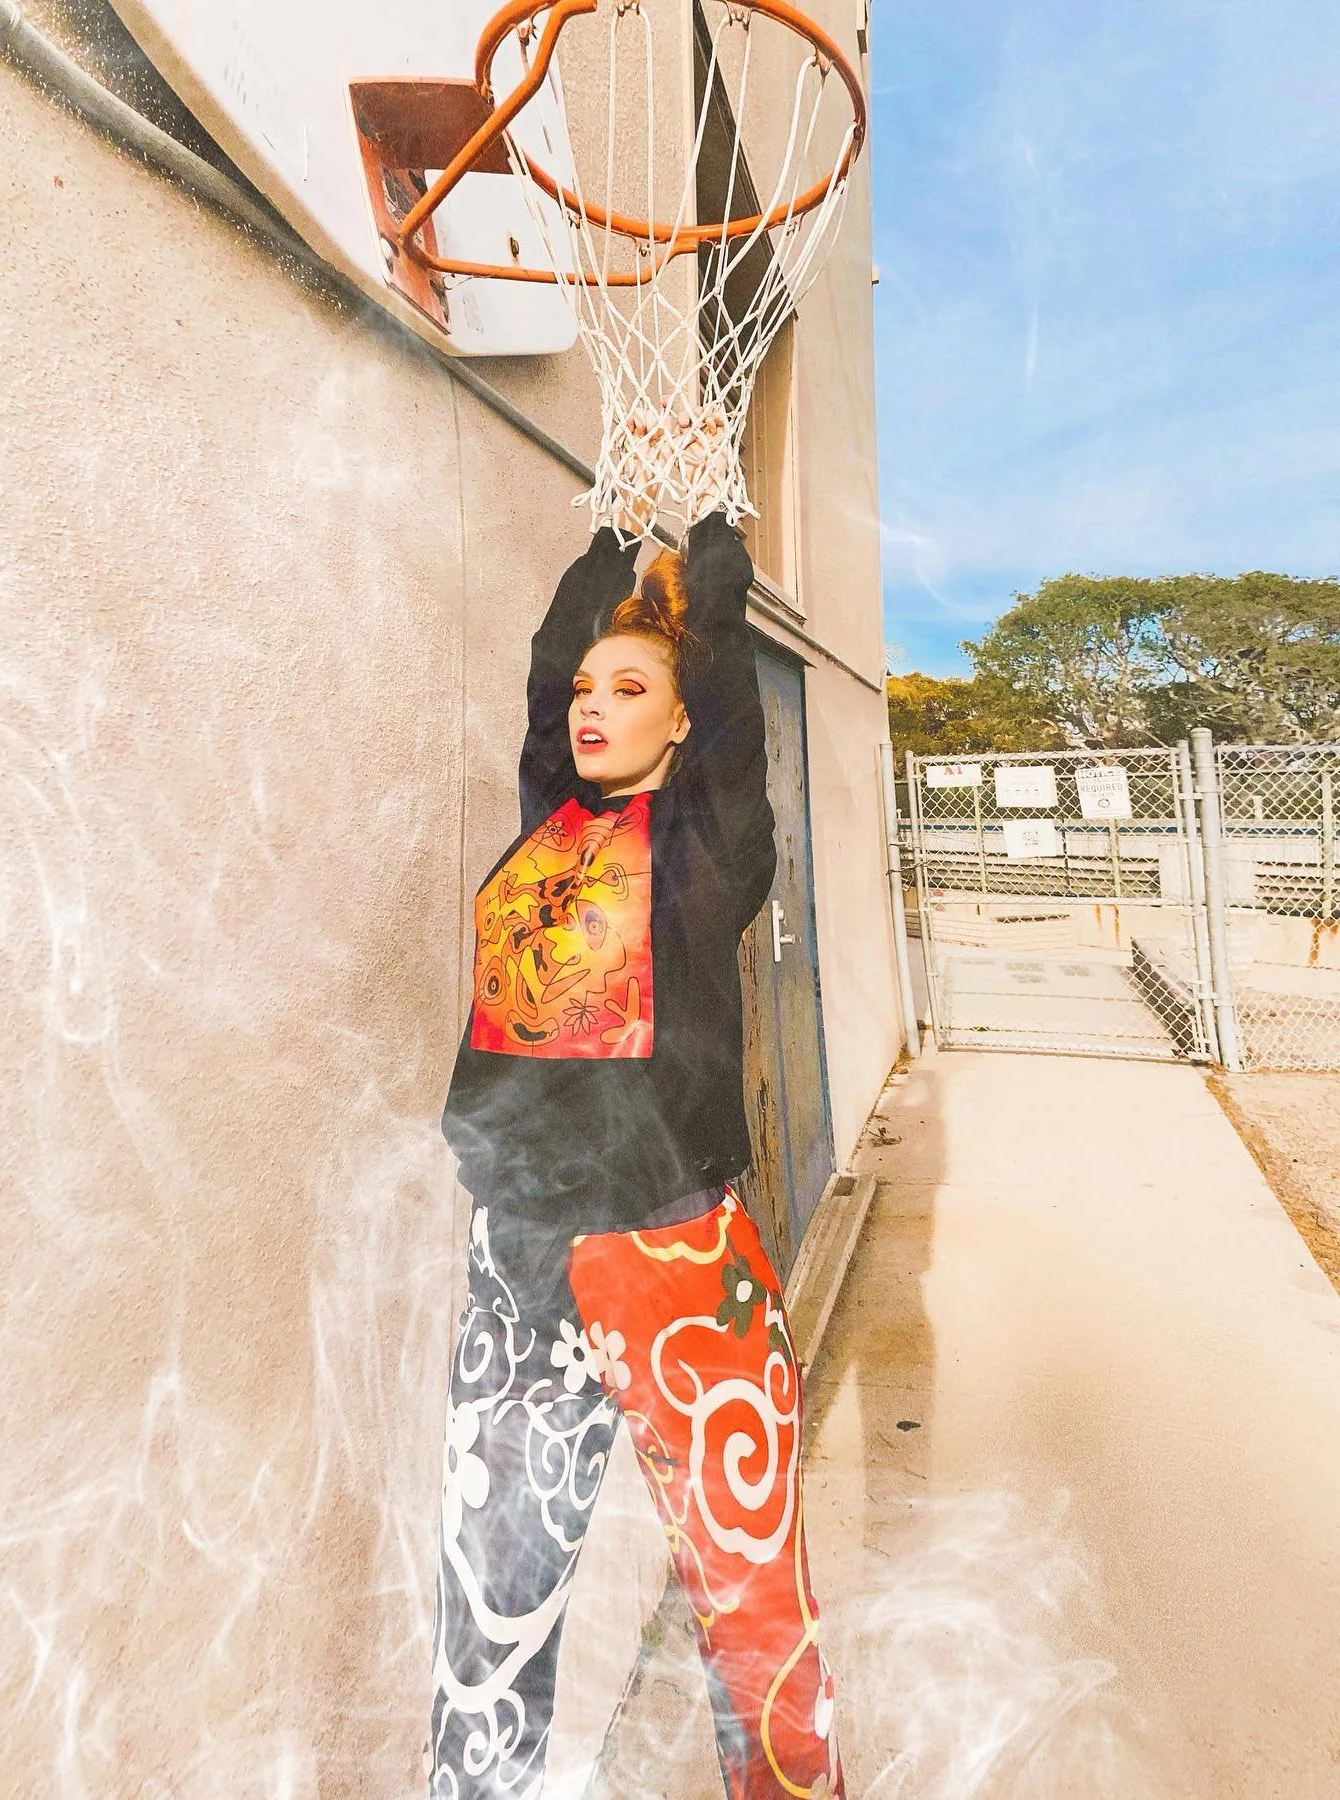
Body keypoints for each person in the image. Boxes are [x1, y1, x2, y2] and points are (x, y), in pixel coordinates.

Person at [429, 509, 844, 1800]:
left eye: (629, 689)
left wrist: (702, 550)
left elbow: (729, 731)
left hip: (675, 1259)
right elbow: (544, 684)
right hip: (520, 1265)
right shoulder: (548, 827)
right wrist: (614, 533)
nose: (592, 708)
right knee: (487, 1628)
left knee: (755, 1619)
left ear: (679, 723)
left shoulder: (706, 850)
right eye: (585, 691)